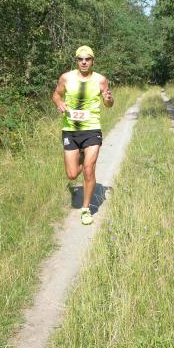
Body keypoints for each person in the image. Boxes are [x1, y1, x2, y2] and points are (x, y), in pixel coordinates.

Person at [52, 45, 114, 225]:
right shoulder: (66, 77)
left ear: (93, 61)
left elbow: (109, 103)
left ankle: (86, 209)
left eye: (88, 59)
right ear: (77, 61)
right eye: (81, 59)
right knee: (72, 175)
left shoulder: (101, 80)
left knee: (89, 169)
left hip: (92, 129)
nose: (84, 62)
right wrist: (60, 103)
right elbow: (56, 95)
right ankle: (81, 156)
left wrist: (108, 99)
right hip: (70, 130)